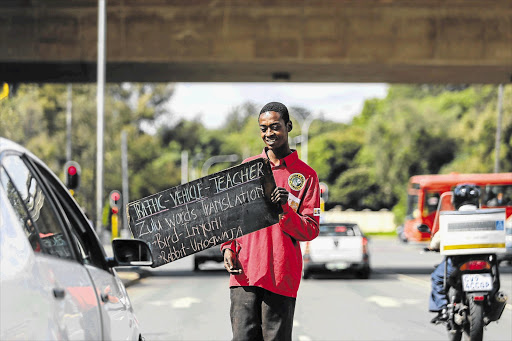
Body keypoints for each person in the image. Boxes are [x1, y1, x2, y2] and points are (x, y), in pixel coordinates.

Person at [221, 102, 321, 341]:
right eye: (263, 128)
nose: (268, 134)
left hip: (281, 275)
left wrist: (285, 210)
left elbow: (311, 230)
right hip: (244, 273)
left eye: (275, 127)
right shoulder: (247, 168)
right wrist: (228, 248)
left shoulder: (306, 175)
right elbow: (231, 216)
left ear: (288, 126)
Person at [429, 183, 481, 324]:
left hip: (458, 262)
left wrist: (432, 246)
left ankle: (442, 309)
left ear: (455, 201)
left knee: (437, 278)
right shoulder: (486, 217)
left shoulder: (450, 218)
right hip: (485, 260)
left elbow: (435, 243)